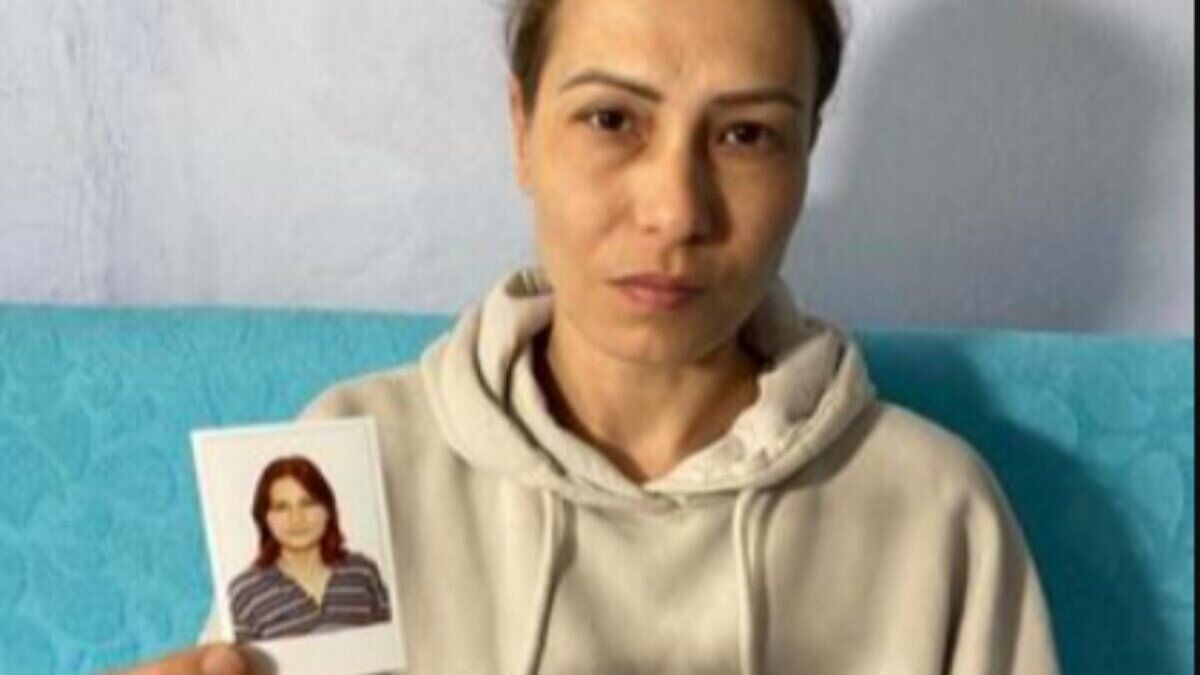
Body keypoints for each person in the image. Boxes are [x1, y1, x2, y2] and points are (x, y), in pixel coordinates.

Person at [124, 0, 1063, 672]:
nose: (675, 210)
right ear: (522, 127)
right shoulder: (344, 460)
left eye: (745, 135)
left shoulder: (937, 511)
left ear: (807, 151)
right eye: (611, 119)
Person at [227, 456, 391, 642]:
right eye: (281, 507)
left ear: (327, 510)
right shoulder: (245, 592)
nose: (297, 519)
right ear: (265, 518)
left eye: (308, 504)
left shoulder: (362, 572)